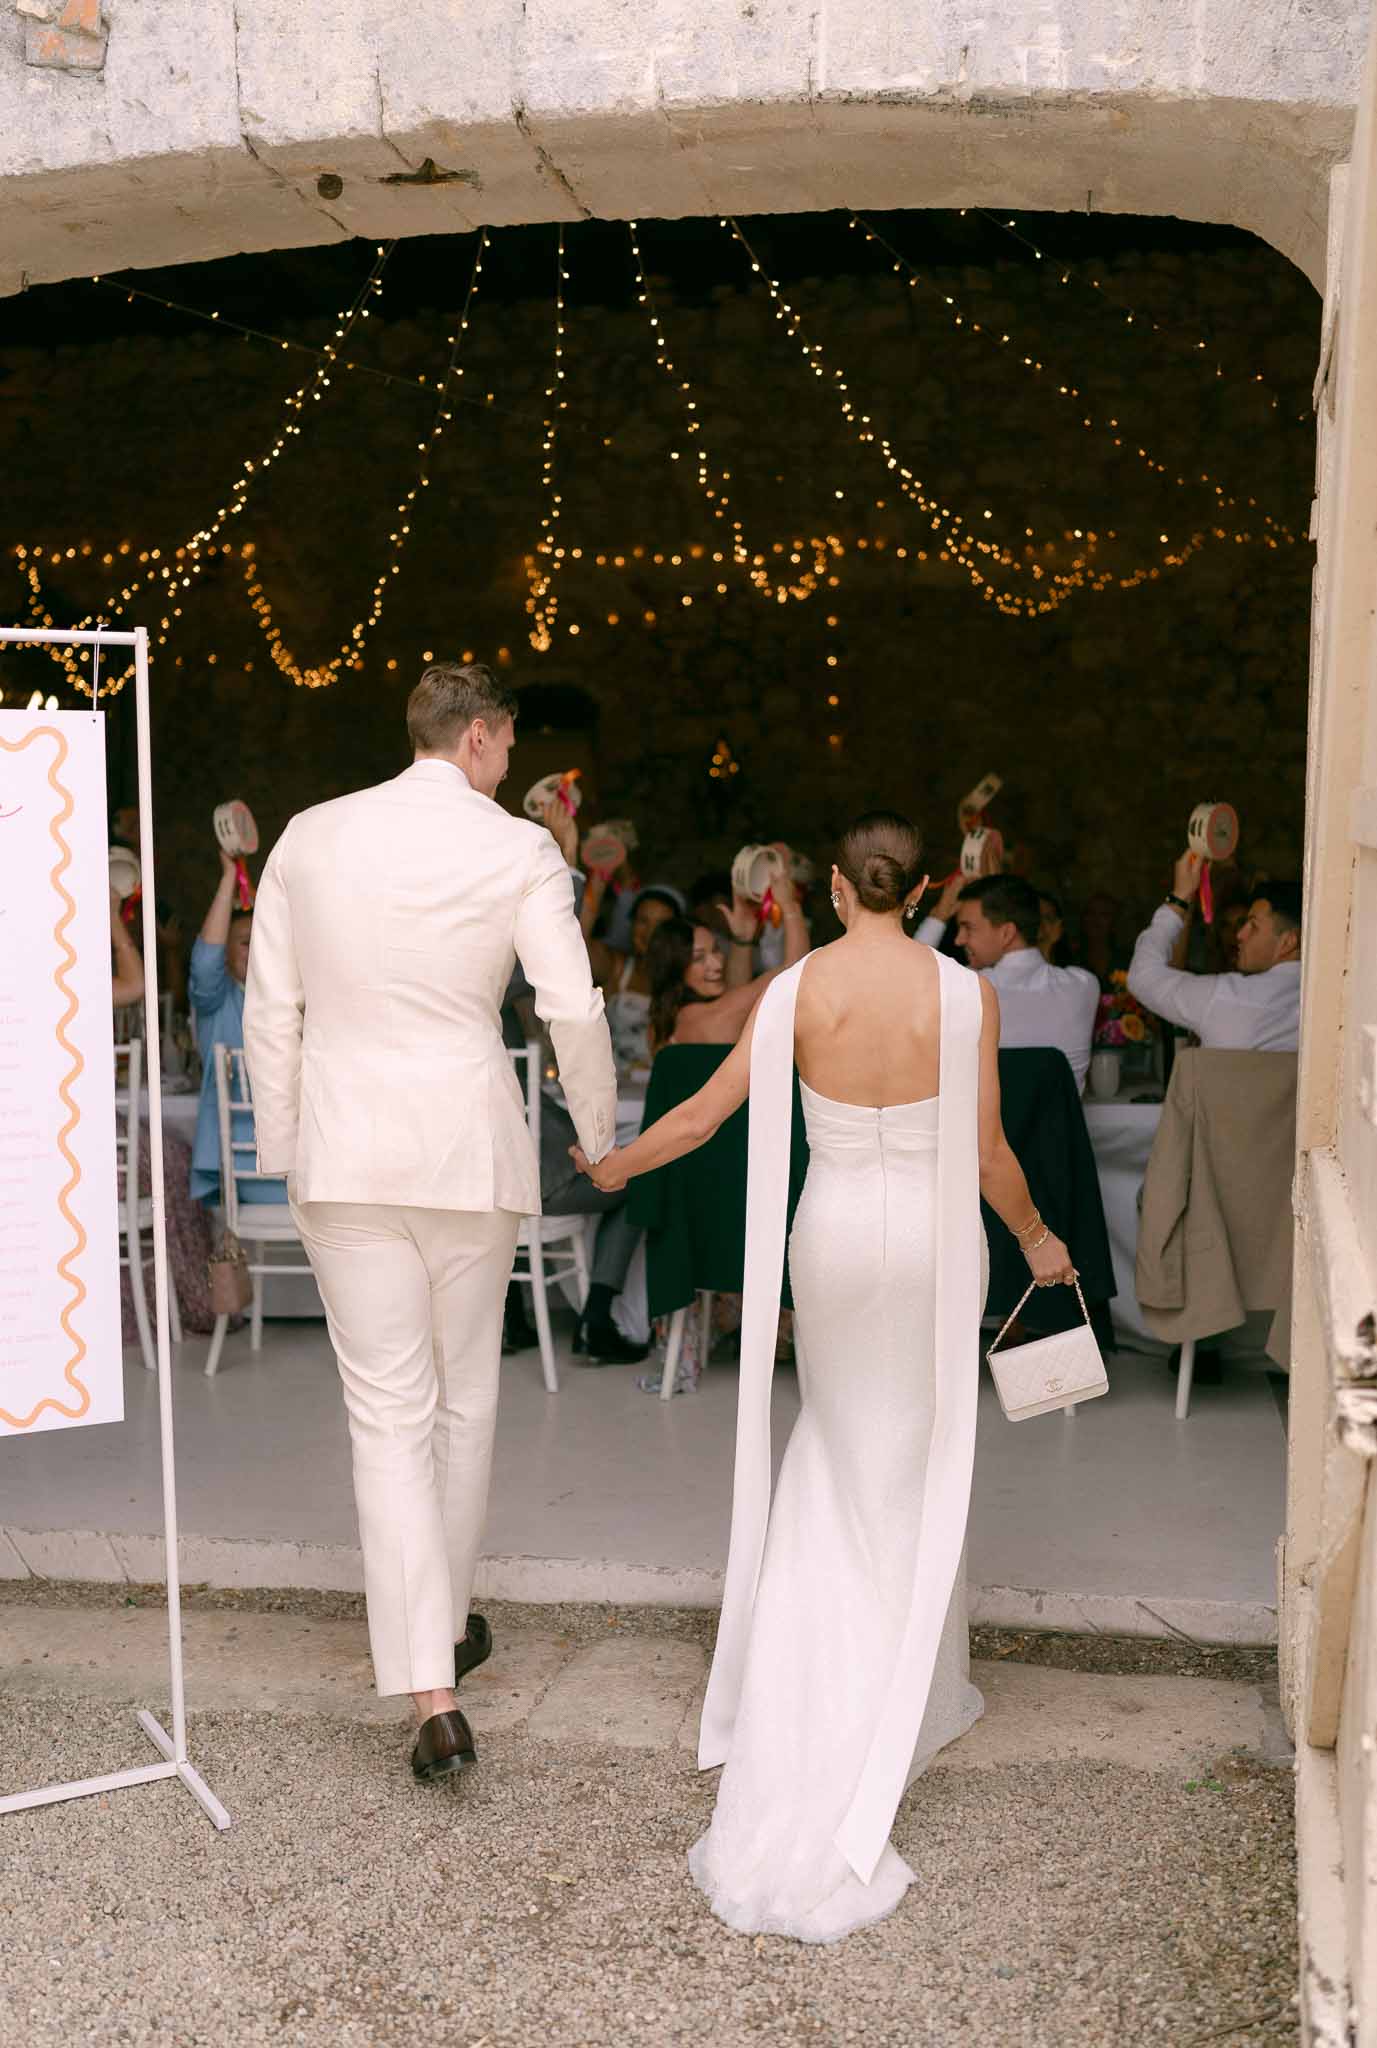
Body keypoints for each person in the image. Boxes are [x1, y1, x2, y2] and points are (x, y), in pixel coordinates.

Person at [572, 812, 1072, 1942]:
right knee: (916, 1447)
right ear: (930, 887)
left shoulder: (796, 988)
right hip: (934, 1241)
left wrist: (612, 1163)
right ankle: (903, 1684)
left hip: (837, 1234)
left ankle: (832, 1683)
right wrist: (1038, 1237)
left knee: (841, 1447)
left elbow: (701, 1114)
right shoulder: (963, 993)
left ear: (839, 887)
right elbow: (990, 1153)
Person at [244, 659, 616, 1785]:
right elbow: (571, 1002)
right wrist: (596, 1134)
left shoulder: (309, 834)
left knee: (387, 1416)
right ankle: (441, 1636)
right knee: (464, 1398)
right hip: (468, 1148)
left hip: (348, 1150)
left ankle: (434, 1677)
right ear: (485, 738)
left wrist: (281, 1150)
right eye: (509, 745)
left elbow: (274, 1009)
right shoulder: (516, 847)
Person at [917, 873, 1101, 1092]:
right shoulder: (1084, 987)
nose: (959, 940)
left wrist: (940, 913)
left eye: (968, 928)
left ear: (1006, 933)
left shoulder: (963, 988)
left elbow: (902, 980)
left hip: (982, 1127)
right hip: (1057, 1127)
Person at [187, 851, 285, 1208]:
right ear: (226, 953)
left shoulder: (294, 999)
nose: (257, 950)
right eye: (245, 941)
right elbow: (204, 960)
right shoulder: (218, 1001)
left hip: (296, 1168)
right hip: (241, 1166)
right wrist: (230, 876)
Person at [1127, 860, 1302, 1050]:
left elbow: (1142, 977)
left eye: (1253, 926)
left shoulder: (1226, 998)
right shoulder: (1329, 1005)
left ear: (1289, 942)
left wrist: (1179, 897)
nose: (1239, 935)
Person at [647, 884, 809, 1054]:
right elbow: (796, 969)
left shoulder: (657, 1027)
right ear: (675, 967)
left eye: (716, 949)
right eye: (699, 958)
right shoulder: (724, 1014)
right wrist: (791, 905)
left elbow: (735, 991)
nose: (717, 963)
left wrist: (742, 940)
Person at [584, 878, 683, 1074]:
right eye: (642, 921)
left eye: (661, 924)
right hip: (615, 1090)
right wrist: (597, 883)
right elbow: (575, 943)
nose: (650, 933)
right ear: (631, 924)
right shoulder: (616, 968)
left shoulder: (690, 977)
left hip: (668, 1091)